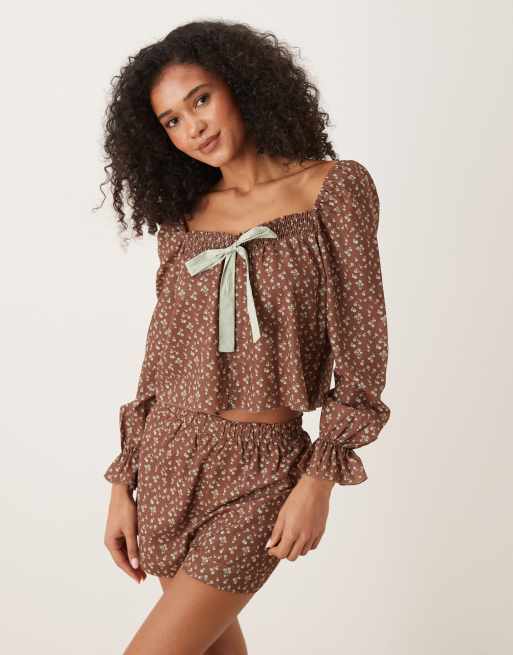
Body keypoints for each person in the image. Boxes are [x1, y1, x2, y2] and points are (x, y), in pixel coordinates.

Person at [100, 19, 391, 655]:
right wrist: (123, 481)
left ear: (241, 84)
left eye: (200, 99)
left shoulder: (332, 189)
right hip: (169, 457)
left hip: (263, 465)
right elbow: (162, 352)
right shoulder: (183, 221)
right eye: (172, 120)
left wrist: (318, 478)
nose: (193, 127)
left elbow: (363, 341)